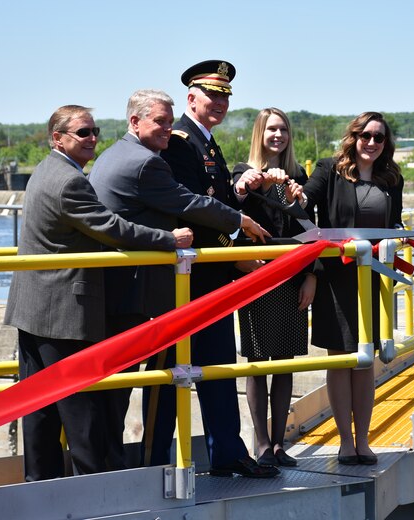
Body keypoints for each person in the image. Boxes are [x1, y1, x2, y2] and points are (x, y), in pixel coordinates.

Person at [4, 105, 193, 481]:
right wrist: (168, 239)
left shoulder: (45, 169)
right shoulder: (70, 181)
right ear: (58, 138)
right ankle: (96, 493)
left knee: (39, 413)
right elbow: (110, 227)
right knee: (82, 414)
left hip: (32, 309)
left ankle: (40, 491)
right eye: (83, 132)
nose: (92, 139)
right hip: (62, 315)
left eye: (95, 131)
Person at [88, 89, 269, 470]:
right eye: (159, 122)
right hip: (151, 293)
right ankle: (150, 466)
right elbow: (188, 203)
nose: (167, 130)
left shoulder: (120, 153)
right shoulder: (149, 161)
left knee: (143, 385)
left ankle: (125, 466)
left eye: (169, 123)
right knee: (161, 383)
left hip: (135, 288)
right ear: (134, 122)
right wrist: (239, 225)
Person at [148, 60, 280, 478]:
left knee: (219, 368)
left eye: (224, 96)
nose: (219, 102)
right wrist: (236, 252)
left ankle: (227, 452)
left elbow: (218, 202)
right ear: (191, 97)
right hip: (187, 280)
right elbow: (191, 210)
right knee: (172, 377)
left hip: (212, 277)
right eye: (212, 95)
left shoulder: (206, 143)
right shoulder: (181, 142)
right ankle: (153, 464)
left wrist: (241, 192)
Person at [303, 111, 403, 466]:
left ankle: (364, 439)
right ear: (354, 136)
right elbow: (304, 207)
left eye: (379, 138)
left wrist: (400, 239)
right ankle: (345, 441)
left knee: (365, 362)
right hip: (336, 279)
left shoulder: (390, 177)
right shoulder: (330, 169)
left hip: (373, 279)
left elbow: (395, 222)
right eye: (366, 136)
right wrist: (312, 269)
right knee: (341, 359)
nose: (372, 143)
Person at [232, 108, 313, 468]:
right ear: (259, 134)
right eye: (271, 129)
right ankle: (261, 444)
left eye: (283, 129)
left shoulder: (298, 177)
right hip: (258, 279)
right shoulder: (242, 173)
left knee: (285, 363)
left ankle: (280, 443)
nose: (278, 135)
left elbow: (312, 229)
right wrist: (256, 185)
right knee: (257, 364)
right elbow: (231, 216)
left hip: (294, 278)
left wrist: (313, 275)